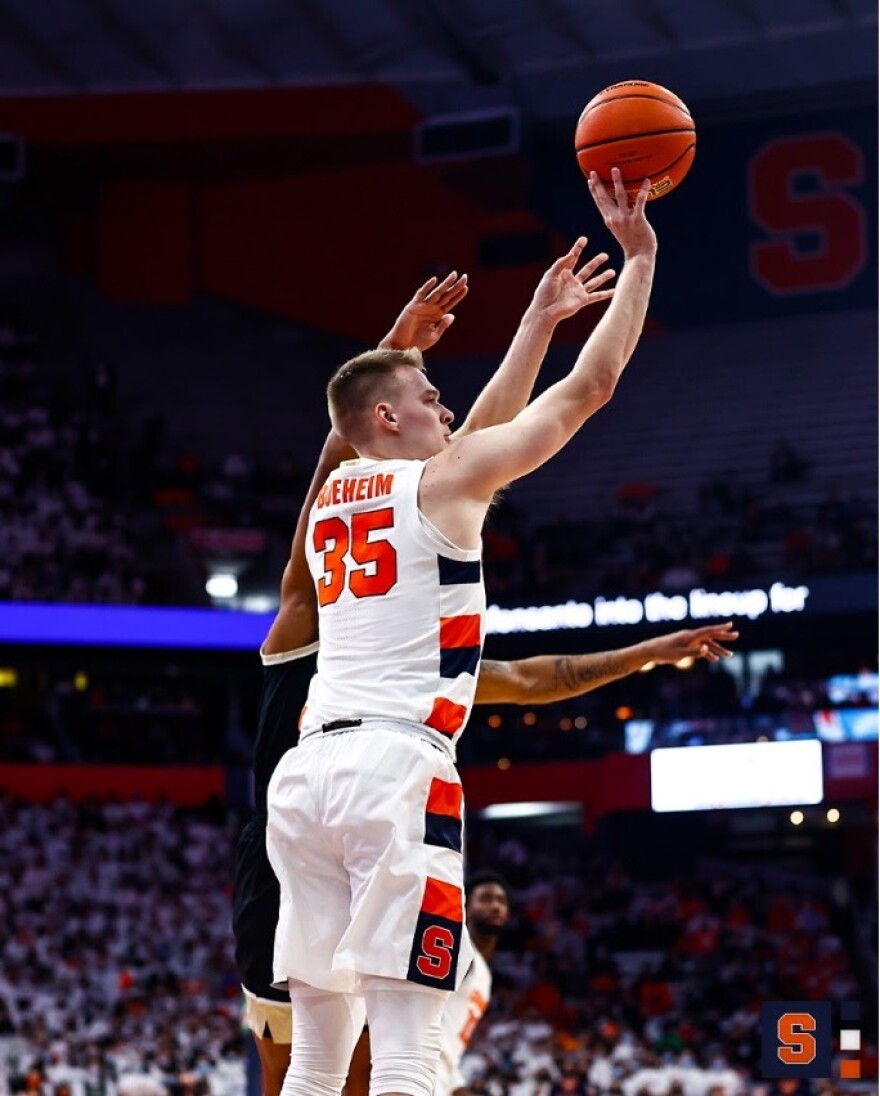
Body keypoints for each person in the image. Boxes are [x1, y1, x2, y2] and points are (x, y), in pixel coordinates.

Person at [265, 171, 666, 1096]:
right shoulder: (443, 485)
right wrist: (640, 258)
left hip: (307, 779)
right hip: (396, 769)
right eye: (432, 396)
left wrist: (536, 319)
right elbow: (590, 389)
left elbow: (471, 436)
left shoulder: (330, 499)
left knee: (319, 1062)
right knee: (408, 1049)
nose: (448, 409)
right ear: (387, 417)